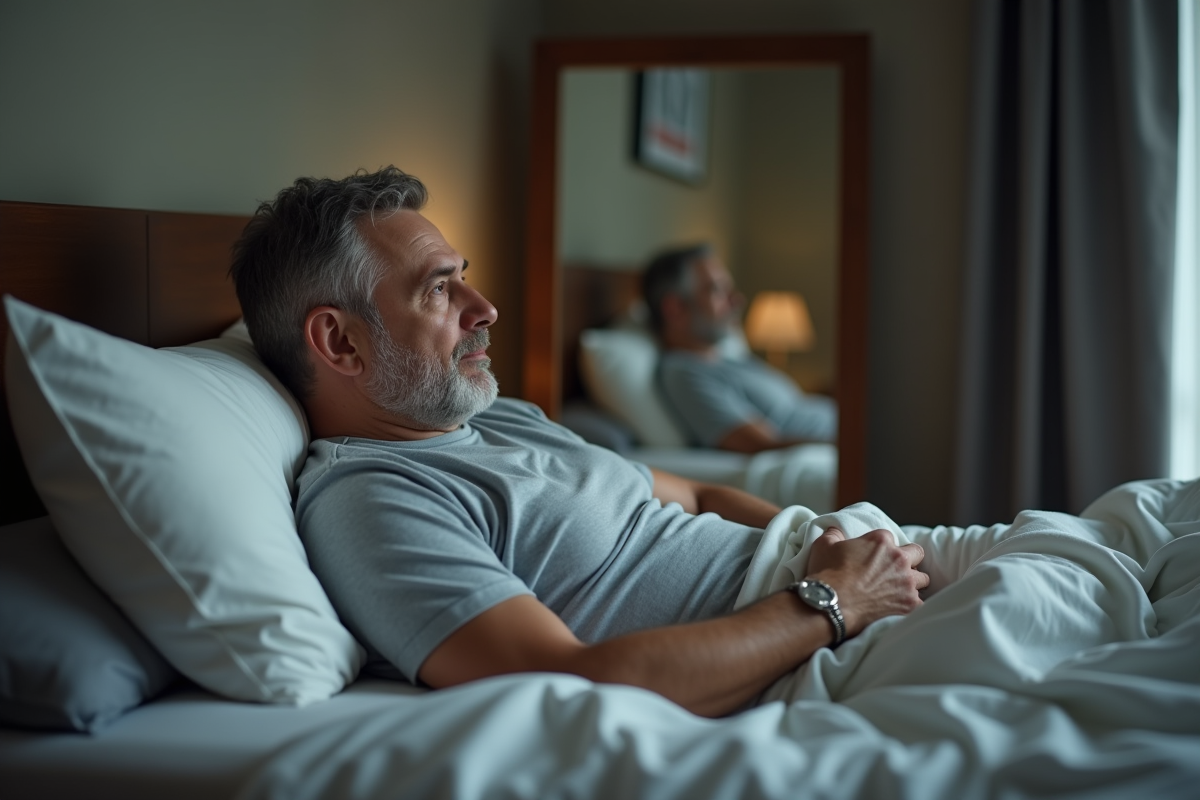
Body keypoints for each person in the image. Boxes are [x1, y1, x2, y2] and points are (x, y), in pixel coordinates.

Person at [230, 166, 927, 718]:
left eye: (463, 277)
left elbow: (697, 491)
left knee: (1039, 547)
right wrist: (831, 601)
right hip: (812, 637)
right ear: (338, 341)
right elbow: (572, 683)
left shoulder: (496, 417)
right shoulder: (374, 503)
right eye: (440, 290)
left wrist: (828, 541)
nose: (485, 309)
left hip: (844, 566)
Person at [642, 244, 838, 453]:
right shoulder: (685, 373)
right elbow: (761, 445)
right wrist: (853, 443)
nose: (737, 300)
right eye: (717, 290)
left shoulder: (730, 359)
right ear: (675, 309)